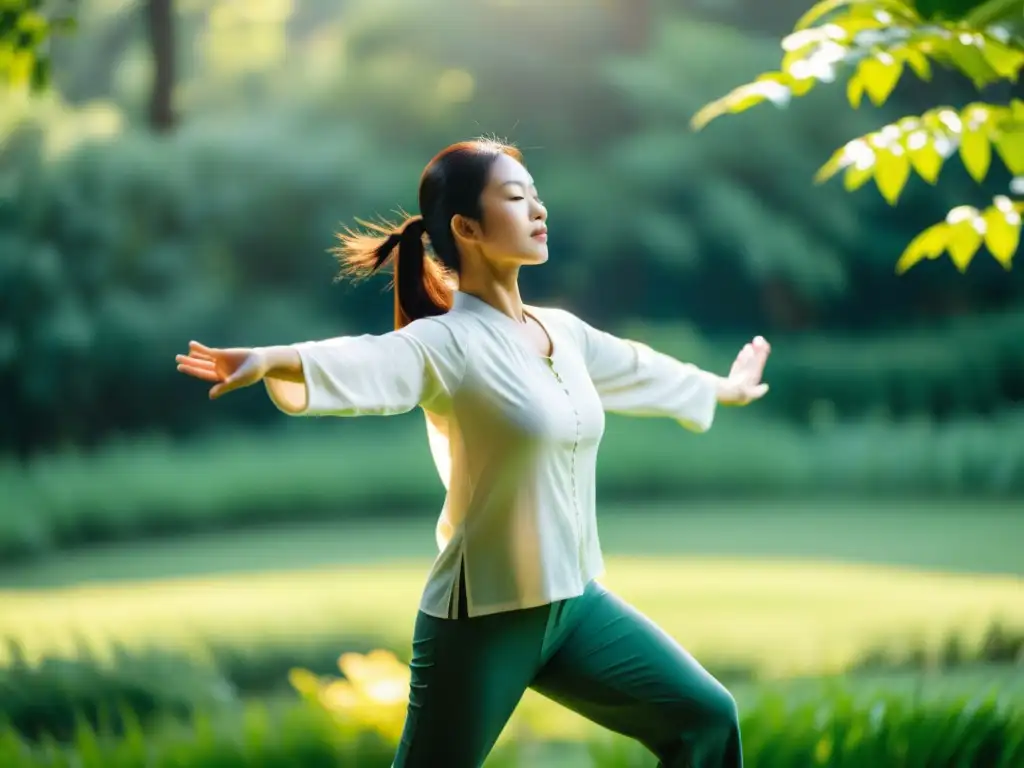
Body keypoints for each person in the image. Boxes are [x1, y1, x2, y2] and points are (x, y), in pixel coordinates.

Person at [175, 138, 770, 768]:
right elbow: (367, 358)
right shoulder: (447, 344)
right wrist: (270, 360)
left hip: (574, 604)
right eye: (517, 198)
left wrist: (721, 389)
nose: (539, 209)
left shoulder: (561, 331)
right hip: (483, 616)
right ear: (466, 227)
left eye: (536, 195)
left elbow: (637, 369)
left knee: (706, 718)